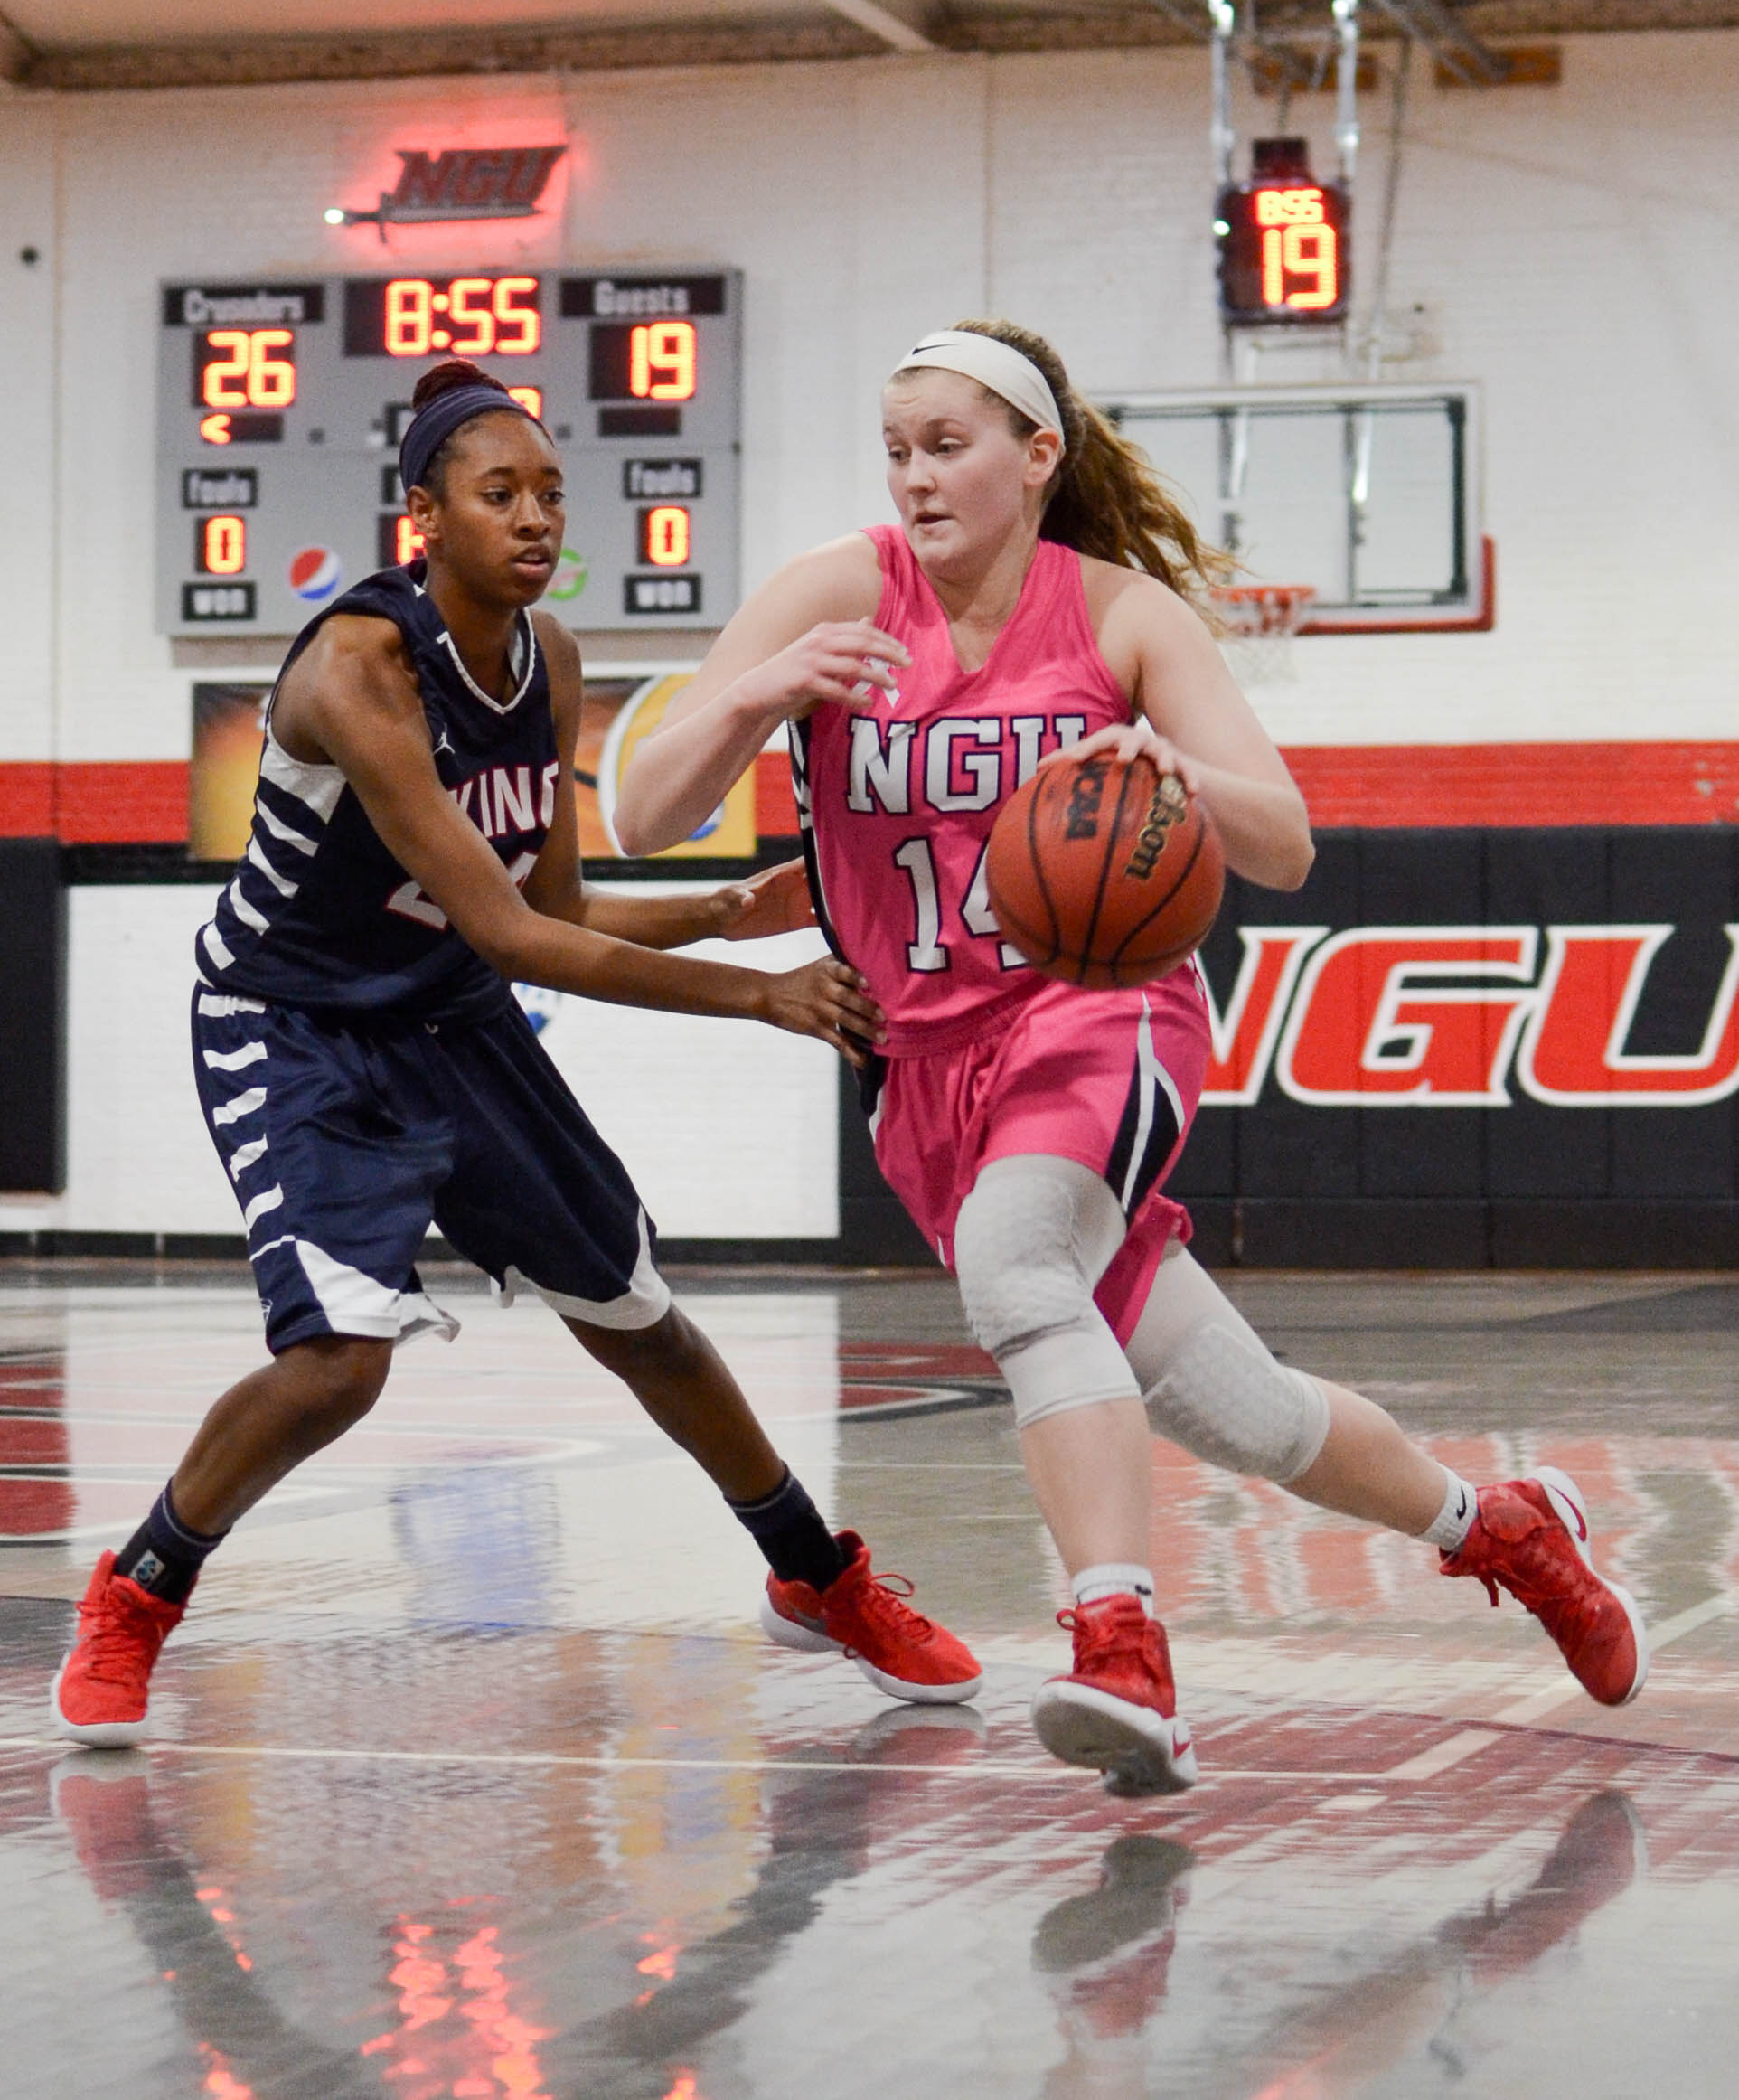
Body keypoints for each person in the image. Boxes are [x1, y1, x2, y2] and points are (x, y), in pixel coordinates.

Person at [613, 317, 1650, 1797]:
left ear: (1039, 457)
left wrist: (1184, 777)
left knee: (1019, 1268)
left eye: (948, 446)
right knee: (1247, 1411)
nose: (914, 477)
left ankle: (1121, 1643)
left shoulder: (1122, 616)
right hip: (920, 1067)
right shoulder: (836, 593)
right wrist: (751, 697)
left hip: (1102, 1013)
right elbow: (647, 812)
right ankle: (1503, 1529)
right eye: (897, 449)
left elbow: (1282, 840)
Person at [52, 359, 979, 1747]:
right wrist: (756, 992)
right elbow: (518, 938)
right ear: (423, 515)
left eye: (552, 492)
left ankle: (816, 1571)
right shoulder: (357, 667)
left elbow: (554, 909)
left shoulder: (548, 660)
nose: (537, 518)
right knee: (335, 1366)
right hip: (298, 1023)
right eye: (501, 495)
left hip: (453, 1015)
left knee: (639, 1318)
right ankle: (137, 1588)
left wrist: (725, 905)